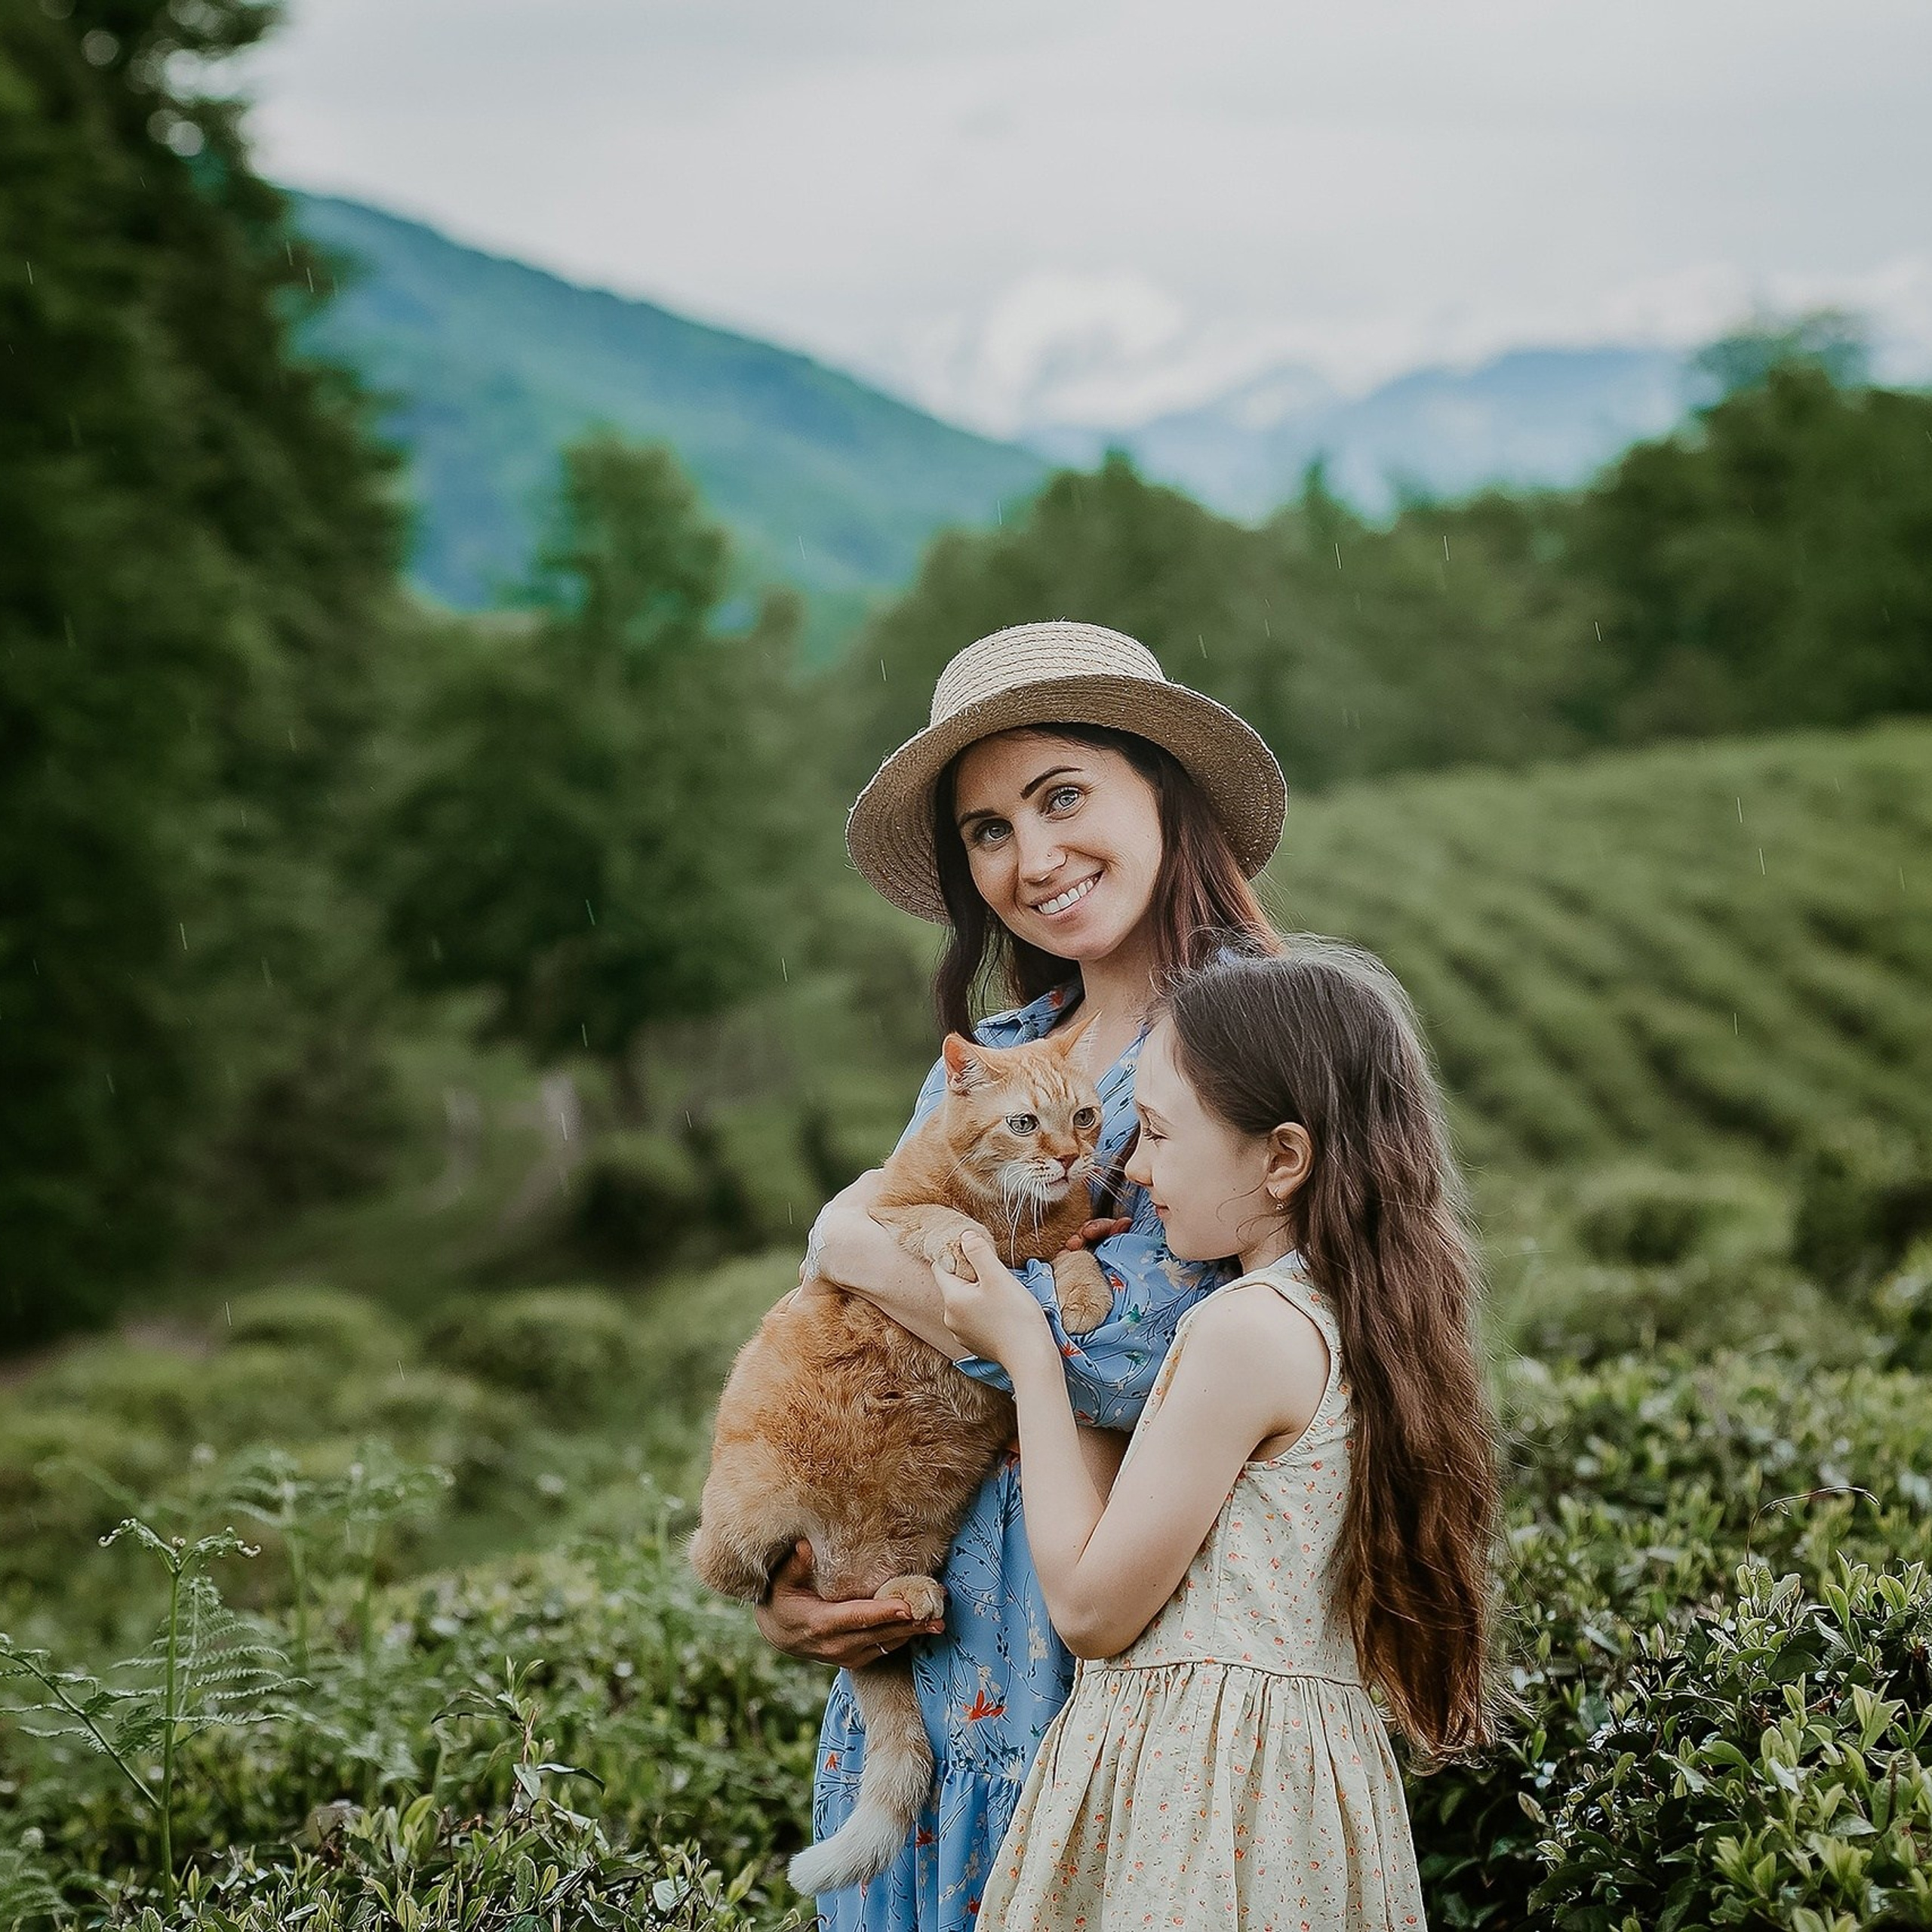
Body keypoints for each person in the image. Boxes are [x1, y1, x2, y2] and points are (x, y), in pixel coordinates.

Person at [755, 619, 1288, 1930]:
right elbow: (850, 1329)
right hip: (931, 1682)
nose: (1031, 859)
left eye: (1062, 798)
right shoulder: (1004, 1047)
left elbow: (1132, 1363)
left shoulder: (1243, 1037)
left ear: (1162, 791)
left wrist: (855, 1242)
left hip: (1107, 1686)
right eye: (988, 831)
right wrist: (796, 1569)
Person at [934, 943, 1502, 1930]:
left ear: (1284, 1157)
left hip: (1200, 1801)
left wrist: (1026, 1348)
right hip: (1288, 1800)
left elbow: (1090, 1607)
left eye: (1155, 1132)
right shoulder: (1344, 1317)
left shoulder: (1246, 1331)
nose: (1134, 1167)